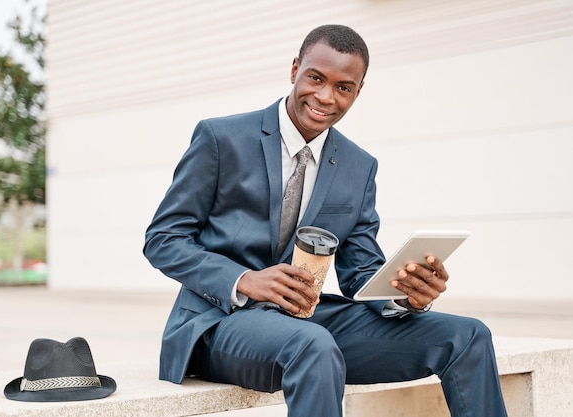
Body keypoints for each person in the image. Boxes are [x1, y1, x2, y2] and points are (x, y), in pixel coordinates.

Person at [143, 24, 508, 417]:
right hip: (219, 323)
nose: (325, 97)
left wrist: (403, 294)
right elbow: (164, 239)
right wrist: (244, 279)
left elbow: (360, 270)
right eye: (316, 78)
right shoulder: (221, 137)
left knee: (468, 335)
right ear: (295, 69)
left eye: (343, 87)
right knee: (312, 344)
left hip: (306, 321)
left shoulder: (359, 166)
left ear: (357, 91)